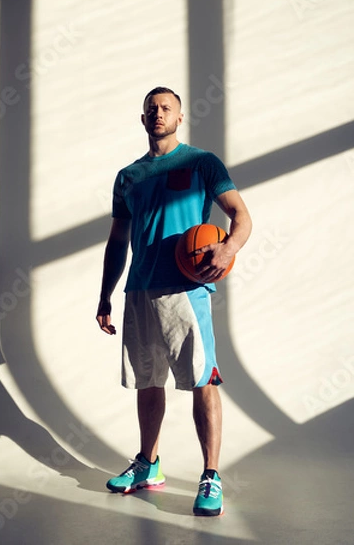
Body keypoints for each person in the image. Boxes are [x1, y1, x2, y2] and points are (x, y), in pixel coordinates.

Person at [96, 87, 252, 516]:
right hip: (139, 290)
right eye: (151, 108)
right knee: (148, 382)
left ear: (180, 118)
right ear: (142, 119)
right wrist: (105, 293)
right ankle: (148, 464)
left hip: (186, 289)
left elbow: (241, 215)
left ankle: (211, 475)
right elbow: (117, 241)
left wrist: (228, 249)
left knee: (202, 381)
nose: (158, 113)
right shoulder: (128, 175)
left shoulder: (201, 162)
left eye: (166, 108)